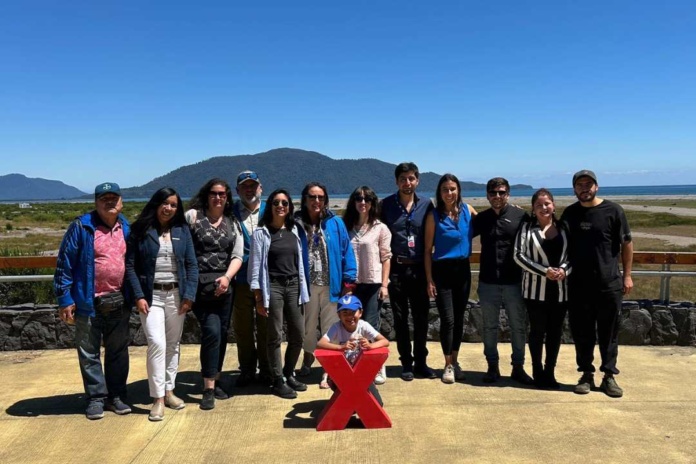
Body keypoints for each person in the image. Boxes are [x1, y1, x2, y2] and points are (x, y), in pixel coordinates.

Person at [54, 182, 132, 420]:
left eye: (113, 198)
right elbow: (64, 264)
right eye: (104, 198)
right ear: (95, 202)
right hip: (88, 302)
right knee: (89, 353)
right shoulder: (81, 227)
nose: (109, 202)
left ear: (121, 202)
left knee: (118, 352)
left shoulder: (125, 227)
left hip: (119, 300)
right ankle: (96, 399)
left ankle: (116, 396)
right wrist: (65, 299)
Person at [125, 187, 198, 421]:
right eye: (165, 203)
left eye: (174, 205)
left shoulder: (182, 230)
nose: (169, 208)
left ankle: (169, 391)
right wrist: (138, 295)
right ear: (156, 204)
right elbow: (130, 266)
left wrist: (189, 295)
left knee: (173, 344)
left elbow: (191, 264)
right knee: (157, 343)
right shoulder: (140, 230)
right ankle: (156, 398)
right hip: (151, 296)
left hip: (176, 296)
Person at [561, 170, 633, 398]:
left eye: (589, 184)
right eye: (580, 184)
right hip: (579, 285)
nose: (585, 188)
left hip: (608, 283)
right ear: (574, 189)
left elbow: (627, 244)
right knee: (582, 333)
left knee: (609, 333)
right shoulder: (570, 214)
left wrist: (627, 275)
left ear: (597, 186)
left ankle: (609, 376)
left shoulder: (613, 211)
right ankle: (586, 374)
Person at [185, 178, 243, 410]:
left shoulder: (232, 222)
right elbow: (183, 251)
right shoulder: (192, 217)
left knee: (221, 331)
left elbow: (238, 255)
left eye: (222, 194)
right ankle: (208, 387)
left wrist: (227, 278)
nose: (218, 197)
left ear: (227, 197)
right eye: (213, 193)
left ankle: (215, 379)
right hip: (200, 286)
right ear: (206, 195)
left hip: (225, 286)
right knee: (211, 331)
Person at [248, 189, 311, 399]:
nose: (281, 206)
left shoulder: (294, 231)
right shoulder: (261, 233)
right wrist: (258, 297)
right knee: (274, 335)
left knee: (298, 334)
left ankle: (287, 373)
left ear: (290, 207)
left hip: (294, 285)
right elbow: (255, 268)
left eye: (285, 202)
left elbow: (301, 263)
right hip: (272, 286)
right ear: (270, 206)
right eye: (276, 202)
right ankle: (277, 380)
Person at [296, 182, 357, 389]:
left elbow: (346, 252)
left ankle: (328, 370)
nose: (316, 201)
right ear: (305, 199)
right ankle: (308, 357)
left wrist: (348, 281)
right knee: (308, 326)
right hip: (307, 286)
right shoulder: (296, 223)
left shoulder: (335, 223)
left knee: (332, 328)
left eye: (321, 197)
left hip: (332, 284)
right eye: (312, 197)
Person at [473, 177, 534, 385]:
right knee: (489, 327)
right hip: (488, 282)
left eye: (501, 192)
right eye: (492, 193)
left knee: (518, 327)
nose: (497, 196)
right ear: (487, 195)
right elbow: (461, 230)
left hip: (515, 282)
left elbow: (540, 232)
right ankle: (492, 366)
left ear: (508, 194)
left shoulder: (521, 216)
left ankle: (518, 367)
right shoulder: (482, 219)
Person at [380, 162, 437, 381]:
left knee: (422, 318)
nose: (407, 183)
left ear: (417, 180)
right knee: (401, 319)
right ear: (396, 181)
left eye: (411, 178)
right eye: (403, 179)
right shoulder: (386, 205)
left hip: (420, 270)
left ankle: (421, 362)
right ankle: (406, 363)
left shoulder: (427, 204)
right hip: (397, 270)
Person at [513, 188, 571, 389]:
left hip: (560, 290)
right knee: (537, 332)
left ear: (554, 205)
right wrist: (544, 271)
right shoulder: (527, 229)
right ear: (533, 208)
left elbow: (573, 256)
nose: (544, 208)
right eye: (539, 205)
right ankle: (537, 371)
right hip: (535, 291)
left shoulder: (564, 228)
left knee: (555, 333)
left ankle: (550, 372)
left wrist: (564, 270)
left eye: (547, 203)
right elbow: (518, 256)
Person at [423, 174, 476, 384]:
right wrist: (429, 279)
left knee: (460, 318)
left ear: (459, 190)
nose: (449, 193)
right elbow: (427, 250)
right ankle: (447, 364)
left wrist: (515, 212)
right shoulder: (434, 216)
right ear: (440, 192)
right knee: (448, 319)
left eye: (453, 189)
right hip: (442, 271)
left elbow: (491, 222)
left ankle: (456, 360)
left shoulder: (468, 211)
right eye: (445, 189)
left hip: (463, 270)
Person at [342, 186, 392, 384]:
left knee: (371, 326)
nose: (363, 202)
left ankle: (378, 366)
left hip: (372, 283)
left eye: (367, 199)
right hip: (351, 284)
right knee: (350, 325)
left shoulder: (381, 228)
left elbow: (386, 258)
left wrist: (385, 285)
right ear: (353, 202)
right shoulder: (346, 227)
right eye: (359, 199)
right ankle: (355, 364)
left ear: (372, 203)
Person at [231, 170, 270, 387]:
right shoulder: (231, 213)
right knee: (243, 327)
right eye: (244, 186)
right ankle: (246, 369)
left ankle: (266, 369)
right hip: (241, 280)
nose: (249, 189)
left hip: (265, 281)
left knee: (266, 325)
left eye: (253, 185)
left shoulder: (270, 210)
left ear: (260, 188)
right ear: (237, 190)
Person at [317, 294, 389, 406]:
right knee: (347, 403)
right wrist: (340, 347)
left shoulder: (364, 326)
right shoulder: (337, 327)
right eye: (345, 313)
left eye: (352, 312)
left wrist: (370, 346)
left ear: (360, 313)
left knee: (377, 405)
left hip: (362, 373)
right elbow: (321, 343)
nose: (349, 316)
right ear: (339, 315)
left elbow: (385, 341)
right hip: (343, 374)